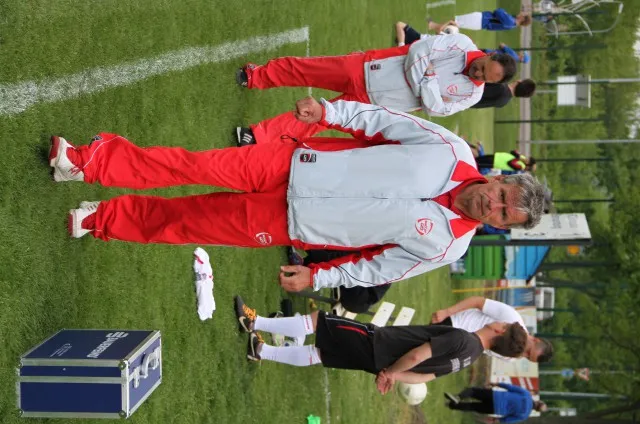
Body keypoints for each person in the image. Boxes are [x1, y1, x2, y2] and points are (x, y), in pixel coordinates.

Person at [50, 97, 545, 291]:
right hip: (294, 164)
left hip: (289, 224)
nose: (495, 206)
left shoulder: (448, 246)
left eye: (505, 215)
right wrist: (330, 113)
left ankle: (102, 219)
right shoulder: (448, 149)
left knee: (186, 223)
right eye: (503, 195)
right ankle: (87, 162)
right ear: (501, 179)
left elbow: (376, 268)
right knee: (192, 165)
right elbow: (381, 121)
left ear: (502, 227)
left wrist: (318, 276)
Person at [235, 33, 517, 144]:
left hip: (380, 103)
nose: (478, 73)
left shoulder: (472, 94)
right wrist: (426, 88)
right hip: (369, 67)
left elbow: (435, 110)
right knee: (306, 69)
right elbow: (417, 52)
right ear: (489, 54)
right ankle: (256, 76)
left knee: (318, 120)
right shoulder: (461, 44)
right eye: (483, 66)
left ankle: (258, 137)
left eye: (486, 78)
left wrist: (427, 78)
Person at [234, 296, 528, 392]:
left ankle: (254, 322)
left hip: (377, 345)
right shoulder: (471, 356)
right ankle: (261, 350)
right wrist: (391, 374)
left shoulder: (463, 338)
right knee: (321, 353)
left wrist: (391, 372)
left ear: (500, 329)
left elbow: (418, 357)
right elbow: (425, 377)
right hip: (377, 361)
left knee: (318, 321)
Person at [431, 296, 553, 362]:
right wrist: (447, 312)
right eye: (529, 352)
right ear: (535, 340)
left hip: (459, 346)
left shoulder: (511, 356)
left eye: (527, 357)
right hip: (455, 325)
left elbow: (483, 350)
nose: (523, 354)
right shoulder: (512, 318)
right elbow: (478, 302)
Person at [445, 384, 547, 424]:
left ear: (538, 401)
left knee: (472, 391)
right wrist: (494, 420)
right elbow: (507, 420)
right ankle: (451, 405)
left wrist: (495, 384)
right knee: (472, 407)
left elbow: (511, 387)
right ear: (536, 410)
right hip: (495, 409)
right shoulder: (524, 416)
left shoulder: (526, 395)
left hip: (495, 396)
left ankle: (457, 398)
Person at [429, 9, 532, 32]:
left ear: (523, 18)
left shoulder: (511, 22)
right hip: (481, 21)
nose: (521, 13)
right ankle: (434, 26)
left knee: (454, 21)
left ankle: (434, 27)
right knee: (455, 22)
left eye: (523, 14)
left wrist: (503, 12)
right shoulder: (512, 22)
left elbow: (498, 11)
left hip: (481, 20)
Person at [470, 79, 536, 109]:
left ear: (519, 81)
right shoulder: (504, 102)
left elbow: (476, 89)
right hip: (467, 103)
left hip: (466, 93)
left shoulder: (501, 87)